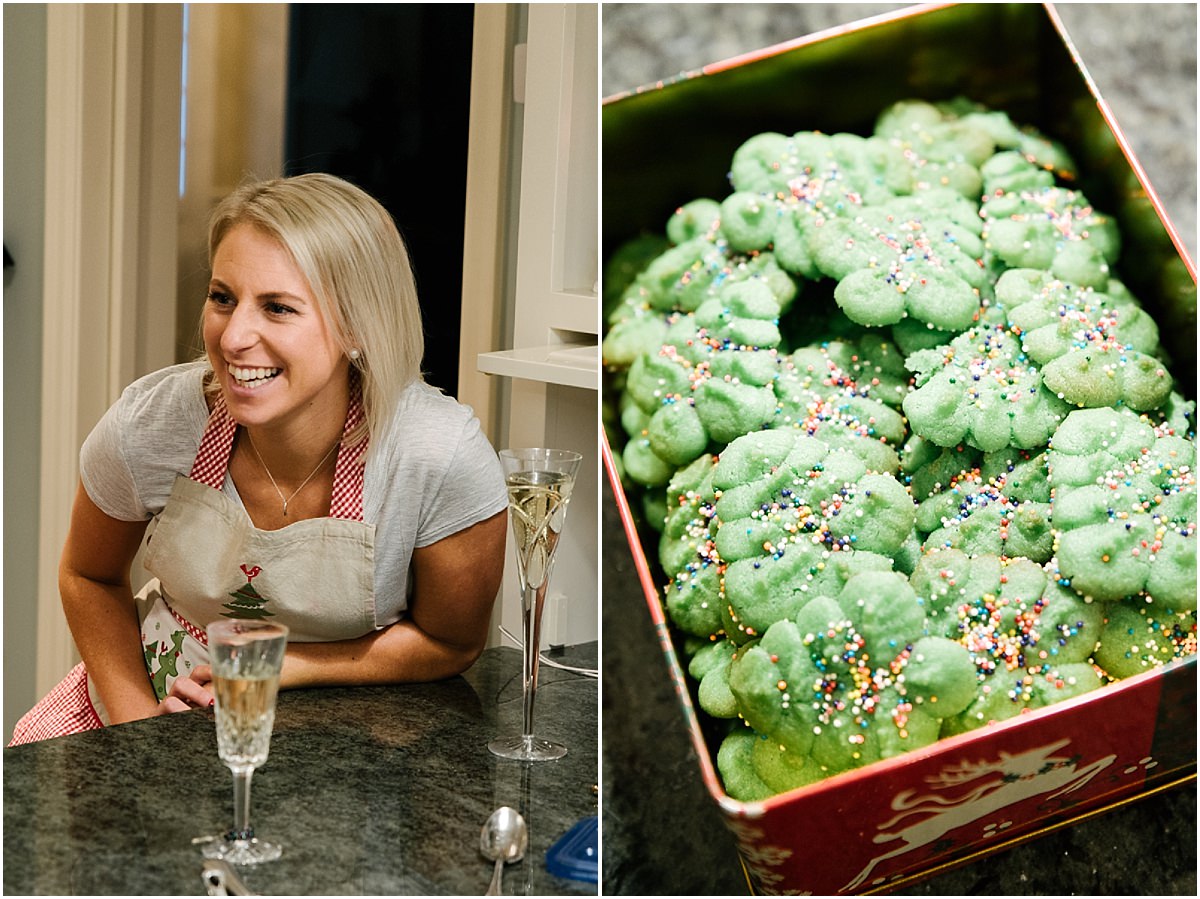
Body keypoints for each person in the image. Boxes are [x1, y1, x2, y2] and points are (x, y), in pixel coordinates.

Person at [10, 173, 509, 744]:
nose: (232, 337)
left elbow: (451, 642)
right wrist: (137, 728)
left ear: (357, 327)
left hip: (350, 726)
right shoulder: (149, 425)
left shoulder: (437, 456)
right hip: (155, 695)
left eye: (277, 307)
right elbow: (88, 576)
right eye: (223, 298)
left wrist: (279, 665)